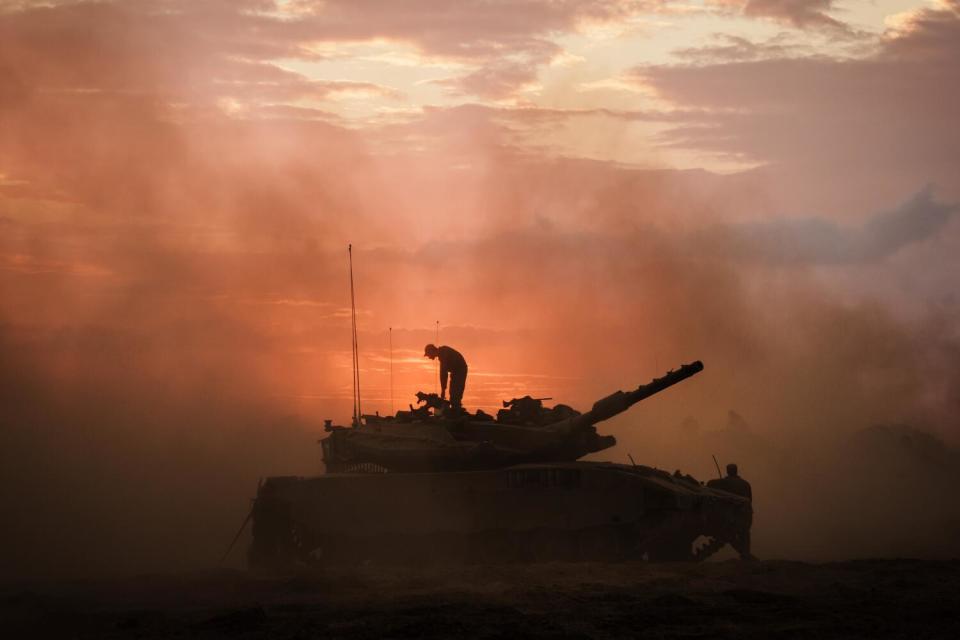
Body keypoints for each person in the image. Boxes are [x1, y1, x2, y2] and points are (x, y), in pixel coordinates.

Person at [708, 463, 754, 560]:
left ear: (728, 471)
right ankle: (745, 553)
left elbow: (710, 484)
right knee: (744, 534)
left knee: (730, 535)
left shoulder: (724, 482)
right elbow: (750, 499)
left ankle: (744, 553)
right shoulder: (745, 484)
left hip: (732, 514)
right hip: (746, 513)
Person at [424, 344, 468, 410]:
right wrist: (443, 389)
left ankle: (456, 410)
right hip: (455, 371)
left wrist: (443, 390)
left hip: (460, 370)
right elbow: (443, 373)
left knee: (455, 391)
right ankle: (455, 408)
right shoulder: (442, 353)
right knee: (453, 391)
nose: (429, 357)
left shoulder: (443, 353)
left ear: (431, 351)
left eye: (428, 355)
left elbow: (443, 373)